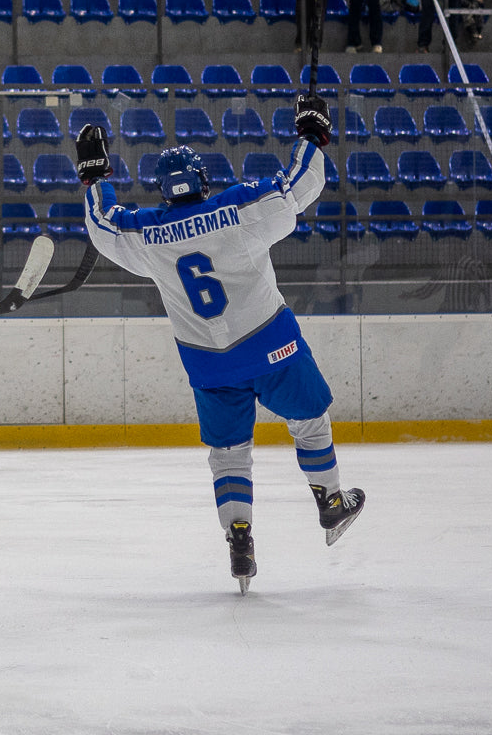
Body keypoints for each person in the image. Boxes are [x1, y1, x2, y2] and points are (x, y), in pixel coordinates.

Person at [75, 107, 365, 594]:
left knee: (229, 453)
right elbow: (297, 188)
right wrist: (312, 135)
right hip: (272, 343)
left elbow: (104, 227)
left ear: (164, 190)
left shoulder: (148, 234)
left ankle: (239, 537)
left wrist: (95, 177)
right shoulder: (239, 208)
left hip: (207, 361)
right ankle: (330, 501)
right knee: (310, 420)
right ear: (203, 181)